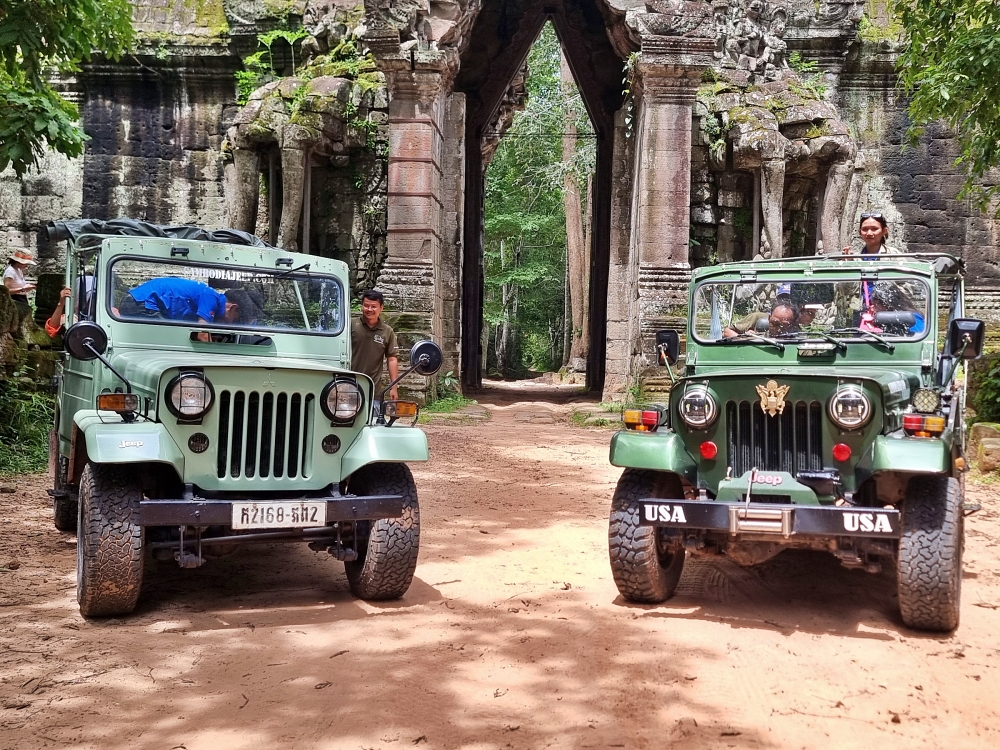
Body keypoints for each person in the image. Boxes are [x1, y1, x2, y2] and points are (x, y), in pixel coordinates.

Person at [119, 277, 261, 342]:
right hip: (142, 303)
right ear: (232, 307)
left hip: (143, 302)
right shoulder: (210, 296)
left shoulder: (211, 300)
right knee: (171, 341)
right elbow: (202, 335)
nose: (231, 324)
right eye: (235, 320)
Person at [351, 289, 399, 400]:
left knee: (374, 417)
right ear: (362, 306)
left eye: (373, 307)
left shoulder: (387, 331)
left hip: (373, 390)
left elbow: (392, 359)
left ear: (381, 308)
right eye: (366, 306)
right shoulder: (351, 325)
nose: (369, 309)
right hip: (348, 385)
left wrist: (394, 388)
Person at [724, 301, 799, 338]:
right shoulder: (757, 337)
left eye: (785, 325)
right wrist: (743, 340)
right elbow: (727, 332)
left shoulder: (799, 340)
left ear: (793, 324)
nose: (779, 329)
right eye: (775, 323)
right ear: (769, 319)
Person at [3, 249, 37, 313]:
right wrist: (23, 289)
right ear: (18, 262)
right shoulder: (10, 272)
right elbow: (6, 291)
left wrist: (31, 286)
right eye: (25, 263)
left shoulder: (18, 270)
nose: (27, 265)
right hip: (14, 300)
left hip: (21, 299)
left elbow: (19, 286)